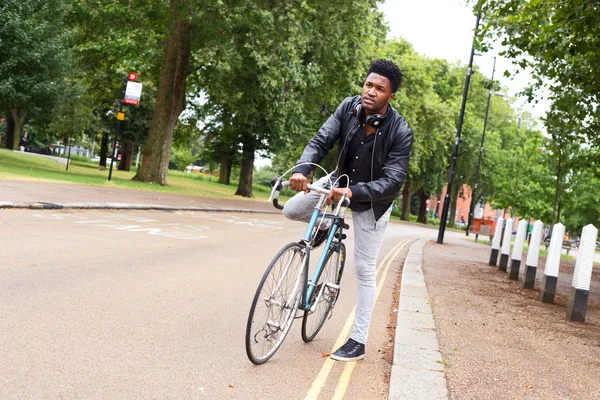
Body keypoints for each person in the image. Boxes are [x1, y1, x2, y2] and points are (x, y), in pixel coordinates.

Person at [283, 59, 413, 362]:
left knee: (365, 269)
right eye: (368, 84)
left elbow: (393, 180)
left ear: (391, 96)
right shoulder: (348, 107)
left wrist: (353, 192)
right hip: (338, 181)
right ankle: (327, 226)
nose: (371, 91)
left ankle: (358, 341)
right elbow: (320, 141)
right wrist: (303, 169)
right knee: (291, 210)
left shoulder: (401, 131)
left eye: (380, 89)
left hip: (372, 201)